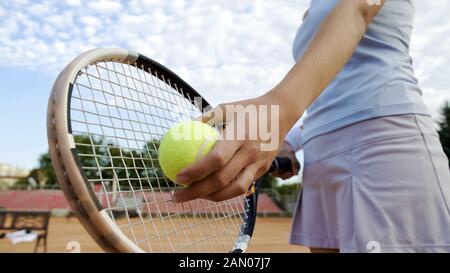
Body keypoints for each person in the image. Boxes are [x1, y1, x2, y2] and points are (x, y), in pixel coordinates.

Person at [173, 0, 450, 252]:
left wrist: (280, 108)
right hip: (320, 160)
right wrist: (290, 143)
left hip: (383, 144)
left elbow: (359, 10)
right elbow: (328, 94)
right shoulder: (311, 9)